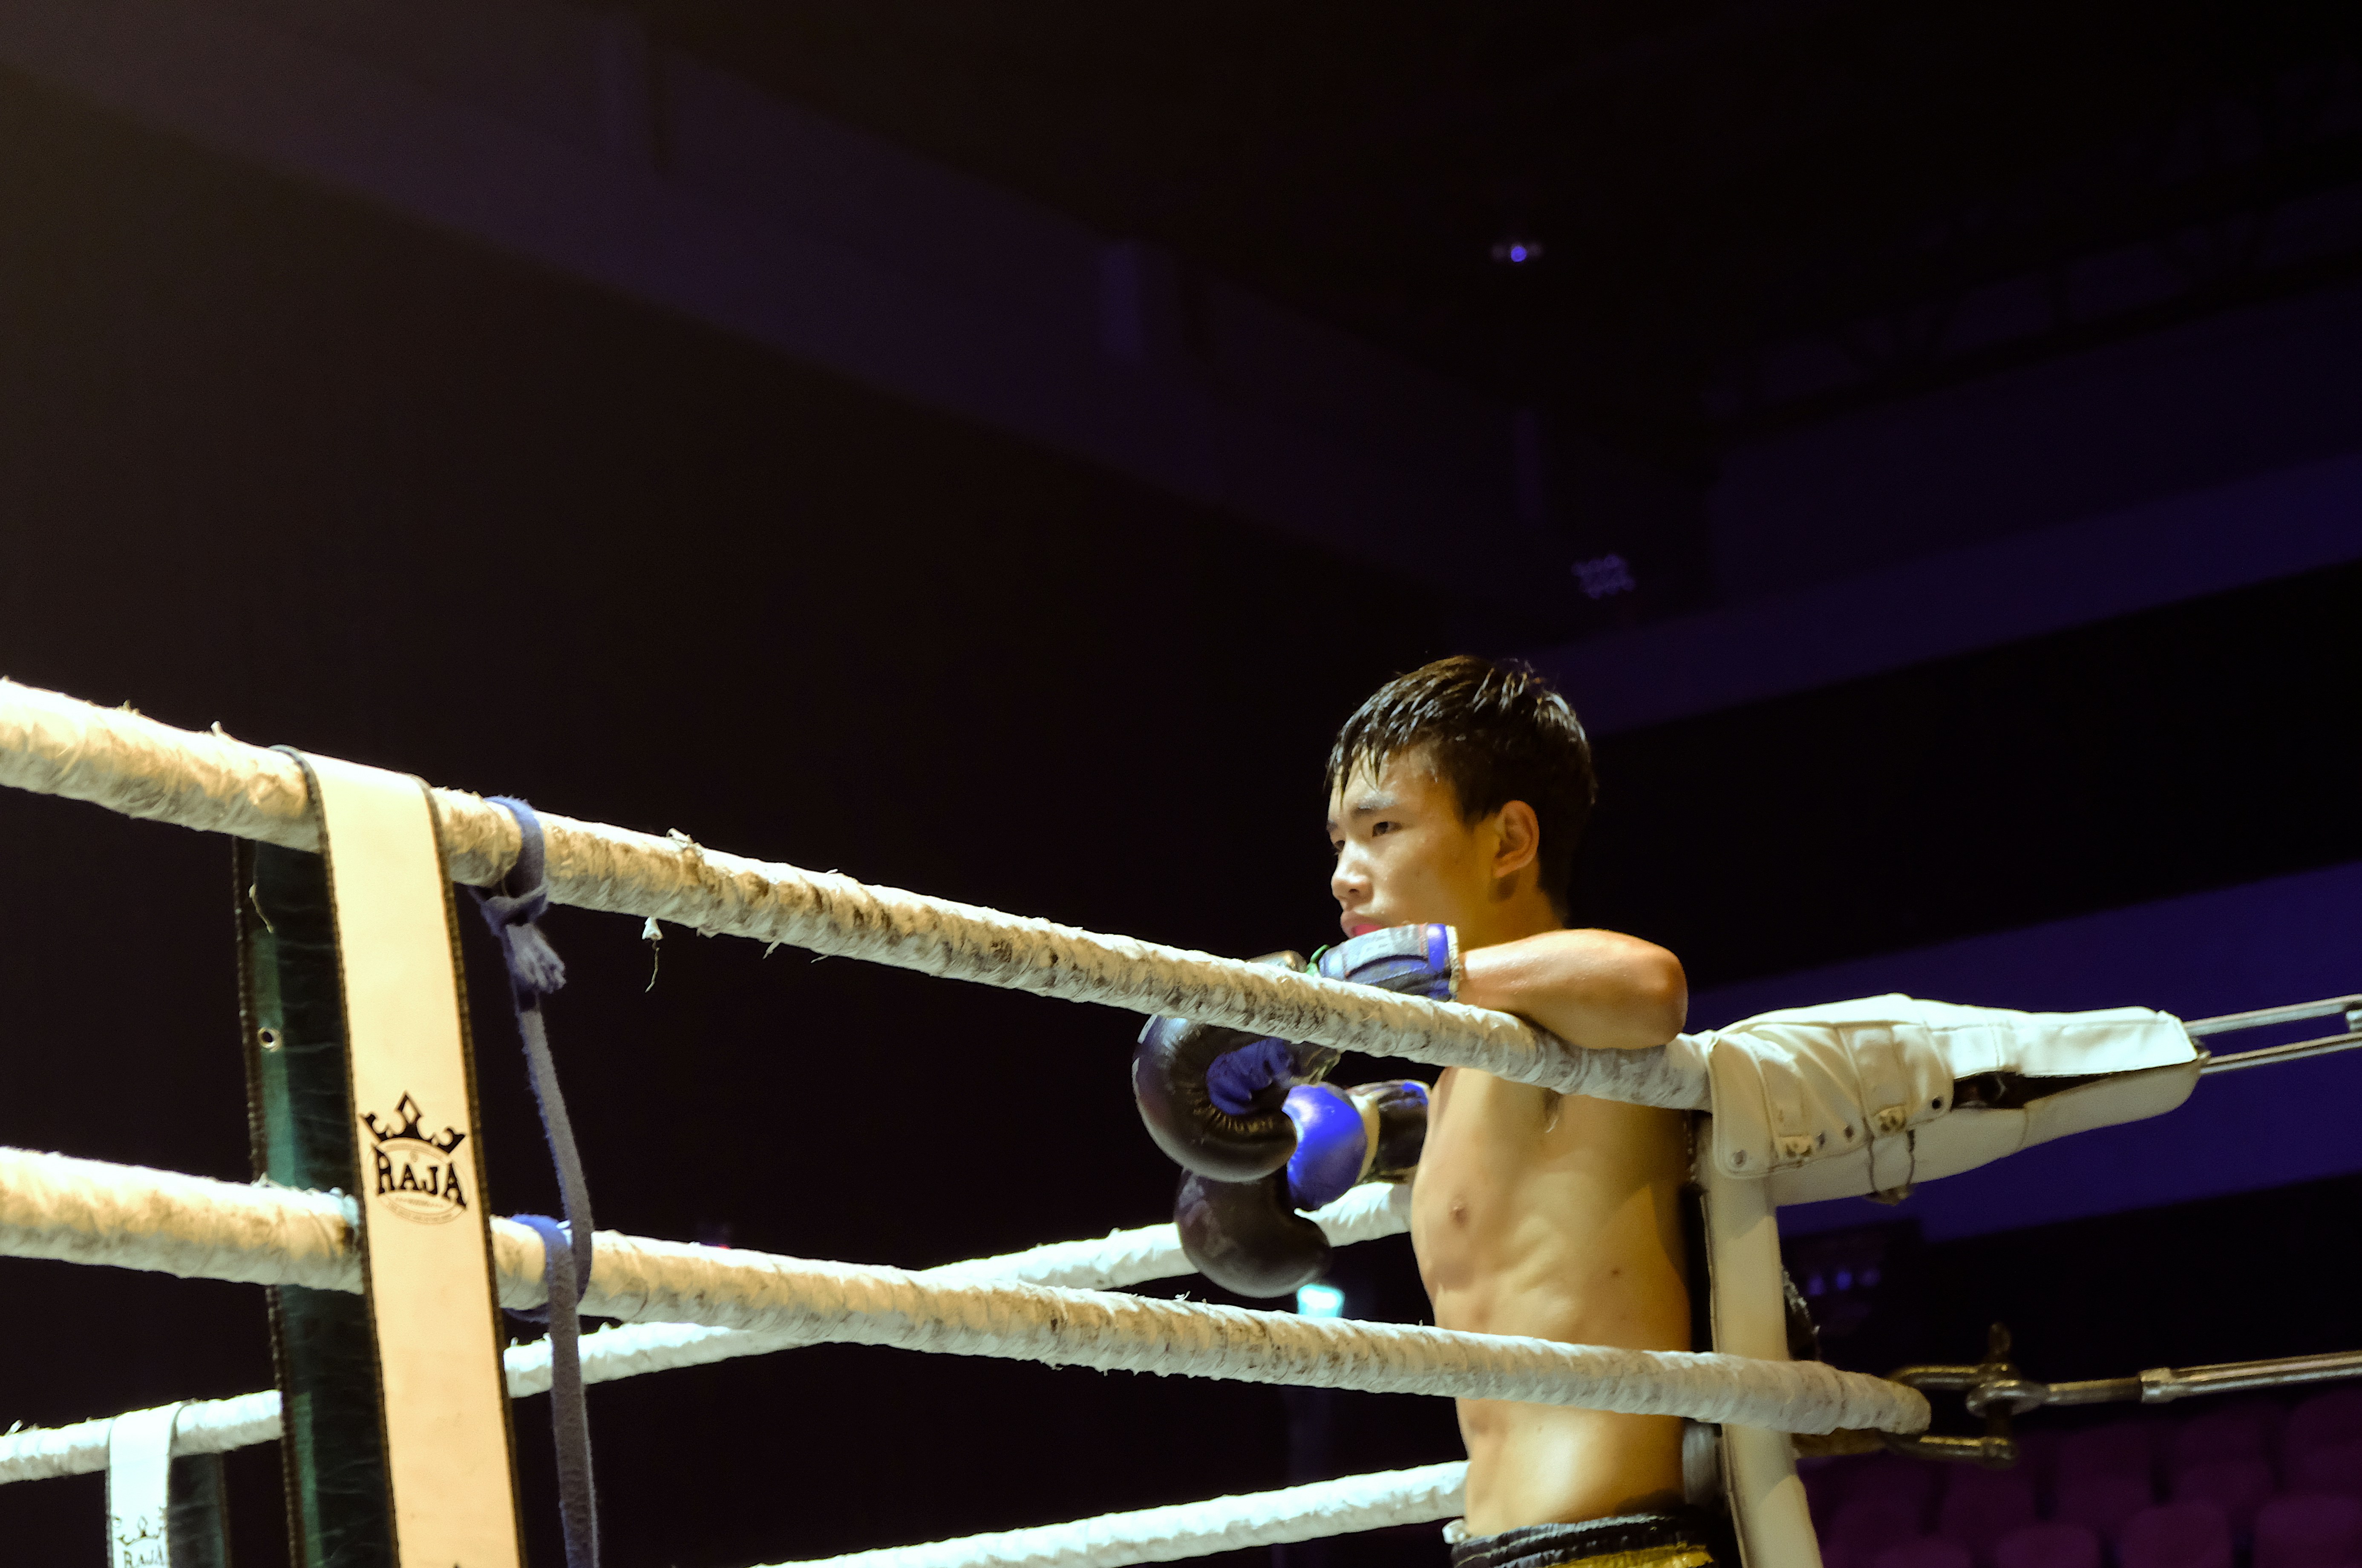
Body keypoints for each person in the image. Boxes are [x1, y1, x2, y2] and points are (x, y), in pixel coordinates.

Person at [1133, 655, 1720, 1568]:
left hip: (1615, 1549)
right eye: (1338, 840)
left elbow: (1653, 986)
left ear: (1509, 841)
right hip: (1497, 1548)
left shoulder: (1591, 1040)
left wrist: (1369, 981)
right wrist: (1316, 1140)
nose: (1345, 875)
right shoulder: (1455, 1084)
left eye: (1383, 826)